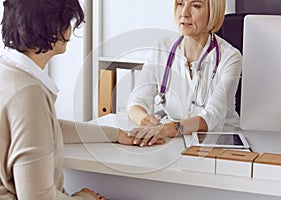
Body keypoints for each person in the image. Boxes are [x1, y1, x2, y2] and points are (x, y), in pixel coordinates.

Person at [0, 0, 151, 199]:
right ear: (53, 27)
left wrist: (116, 134)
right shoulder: (30, 93)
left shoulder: (8, 72)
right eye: (68, 21)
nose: (70, 29)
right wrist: (85, 198)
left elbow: (47, 129)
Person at [127, 0, 242, 147]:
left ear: (213, 12)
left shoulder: (230, 57)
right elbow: (136, 101)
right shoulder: (161, 49)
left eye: (196, 6)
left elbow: (211, 117)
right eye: (180, 4)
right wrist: (145, 120)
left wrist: (166, 128)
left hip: (219, 145)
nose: (184, 13)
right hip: (175, 142)